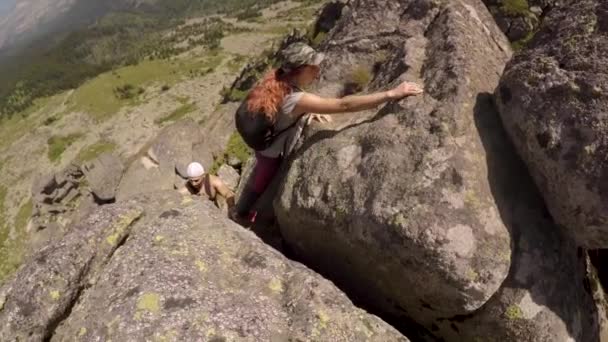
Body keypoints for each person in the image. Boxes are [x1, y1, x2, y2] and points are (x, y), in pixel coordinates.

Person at [231, 42, 423, 224]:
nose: (318, 70)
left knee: (260, 173)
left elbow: (284, 108)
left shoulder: (275, 78)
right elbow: (344, 105)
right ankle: (241, 213)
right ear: (302, 69)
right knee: (260, 181)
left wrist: (307, 110)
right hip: (269, 152)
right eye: (314, 67)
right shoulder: (296, 99)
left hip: (263, 139)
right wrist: (390, 94)